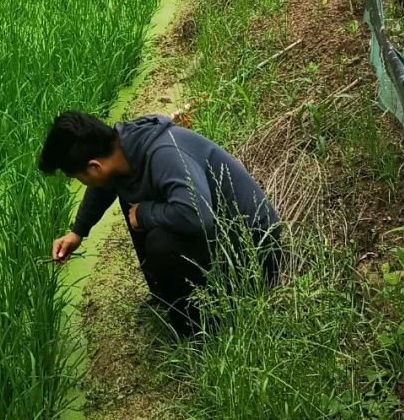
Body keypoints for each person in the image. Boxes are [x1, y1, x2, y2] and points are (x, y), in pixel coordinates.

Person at [38, 111, 280, 335]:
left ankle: (201, 331)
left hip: (256, 250)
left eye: (80, 177)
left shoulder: (164, 153)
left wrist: (145, 213)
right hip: (221, 232)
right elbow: (103, 187)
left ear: (94, 166)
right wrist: (77, 232)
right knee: (131, 199)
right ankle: (168, 297)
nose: (84, 182)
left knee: (160, 242)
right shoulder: (122, 149)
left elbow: (197, 215)